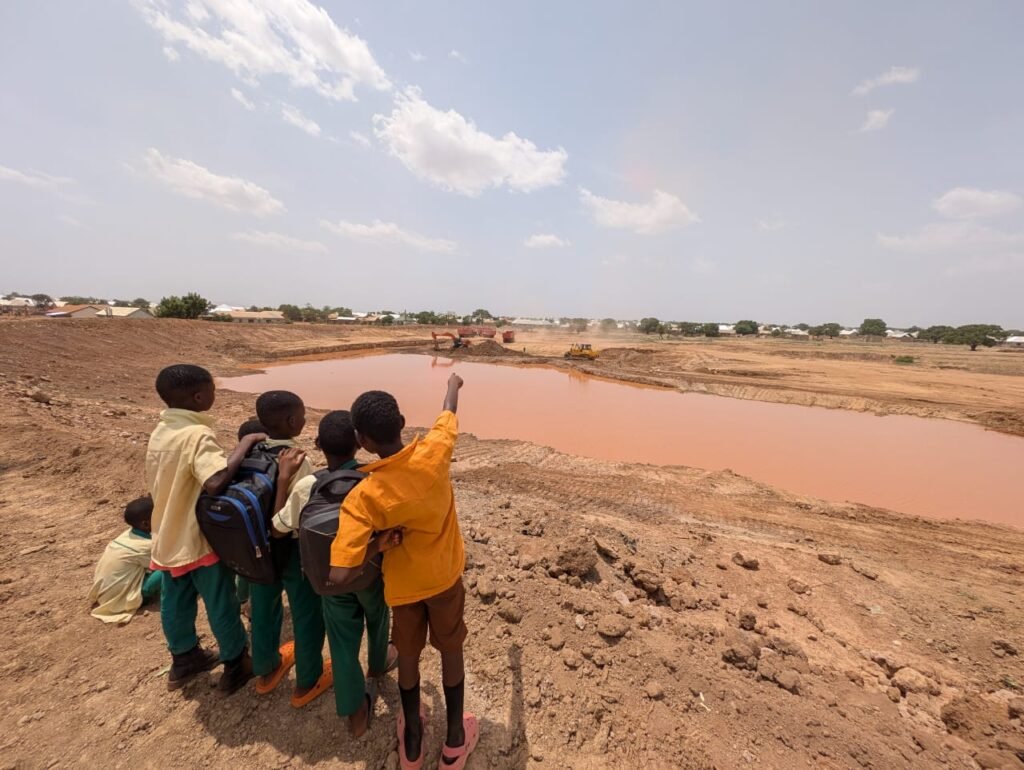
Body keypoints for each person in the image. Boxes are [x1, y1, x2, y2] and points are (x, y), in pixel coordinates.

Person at [329, 374, 478, 769]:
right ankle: (454, 741)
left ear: (362, 440)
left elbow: (340, 575)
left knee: (408, 656)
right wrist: (452, 383)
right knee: (451, 650)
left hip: (404, 589)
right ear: (402, 421)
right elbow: (448, 413)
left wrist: (377, 545)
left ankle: (412, 740)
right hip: (445, 578)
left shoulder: (364, 497)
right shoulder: (435, 452)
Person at [272, 410, 400, 733]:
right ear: (359, 444)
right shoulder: (373, 481)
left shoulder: (307, 487)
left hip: (330, 580)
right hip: (371, 574)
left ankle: (355, 716)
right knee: (378, 617)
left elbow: (278, 529)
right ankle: (378, 663)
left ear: (317, 444)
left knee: (341, 643)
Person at [147, 364, 262, 693]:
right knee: (220, 601)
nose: (215, 393)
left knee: (176, 601)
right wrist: (246, 443)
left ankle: (183, 658)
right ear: (199, 397)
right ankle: (236, 663)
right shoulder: (196, 434)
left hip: (167, 533)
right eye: (213, 389)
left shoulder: (162, 430)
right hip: (197, 537)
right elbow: (214, 481)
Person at [247, 390, 328, 706]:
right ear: (292, 421)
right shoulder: (298, 462)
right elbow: (297, 514)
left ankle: (266, 669)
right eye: (303, 415)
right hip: (291, 550)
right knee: (306, 614)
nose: (305, 419)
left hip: (255, 548)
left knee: (264, 609)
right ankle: (307, 682)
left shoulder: (251, 453)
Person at [88, 495, 162, 624]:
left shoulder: (128, 536)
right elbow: (166, 559)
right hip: (123, 600)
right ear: (145, 524)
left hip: (106, 595)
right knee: (170, 565)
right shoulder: (144, 547)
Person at [233, 418, 266, 613]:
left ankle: (241, 599)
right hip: (261, 530)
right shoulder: (270, 465)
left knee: (244, 570)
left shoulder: (232, 465)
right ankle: (252, 607)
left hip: (240, 528)